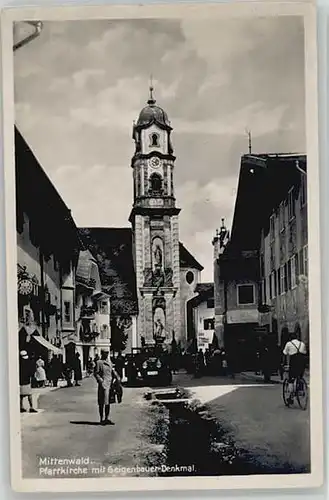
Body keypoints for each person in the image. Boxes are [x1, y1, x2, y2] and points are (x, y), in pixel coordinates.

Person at [94, 348, 121, 425]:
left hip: (110, 385)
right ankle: (101, 418)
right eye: (105, 353)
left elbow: (112, 371)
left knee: (108, 402)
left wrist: (117, 377)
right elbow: (96, 373)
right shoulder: (99, 362)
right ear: (102, 353)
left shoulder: (109, 362)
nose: (107, 354)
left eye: (107, 353)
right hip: (103, 385)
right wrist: (101, 381)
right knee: (102, 403)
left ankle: (106, 418)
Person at [282, 330, 307, 404]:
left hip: (294, 363)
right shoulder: (302, 344)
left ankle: (291, 395)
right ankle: (301, 389)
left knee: (291, 379)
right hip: (302, 362)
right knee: (300, 376)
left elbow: (285, 353)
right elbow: (305, 352)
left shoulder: (289, 344)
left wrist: (283, 364)